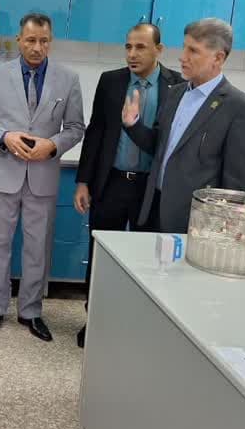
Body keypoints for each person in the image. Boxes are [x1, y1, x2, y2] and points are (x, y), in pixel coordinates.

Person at [73, 22, 184, 346]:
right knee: (101, 257)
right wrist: (83, 181)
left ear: (159, 50)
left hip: (150, 190)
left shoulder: (177, 87)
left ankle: (136, 328)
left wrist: (133, 124)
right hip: (111, 183)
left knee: (147, 261)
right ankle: (96, 321)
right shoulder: (111, 81)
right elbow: (95, 132)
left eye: (141, 47)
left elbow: (166, 143)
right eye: (128, 47)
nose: (132, 54)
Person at [0, 13, 85, 342]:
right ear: (19, 40)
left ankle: (31, 311)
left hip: (43, 175)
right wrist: (5, 136)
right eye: (31, 40)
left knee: (38, 248)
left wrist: (53, 145)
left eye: (44, 41)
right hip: (4, 172)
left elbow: (76, 127)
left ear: (50, 42)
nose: (37, 47)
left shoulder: (68, 79)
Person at [123, 17, 245, 234]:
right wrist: (133, 125)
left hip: (193, 221)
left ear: (218, 57)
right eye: (184, 48)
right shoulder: (175, 93)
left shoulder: (239, 107)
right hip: (152, 209)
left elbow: (236, 179)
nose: (182, 57)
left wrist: (222, 226)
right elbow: (159, 147)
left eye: (193, 51)